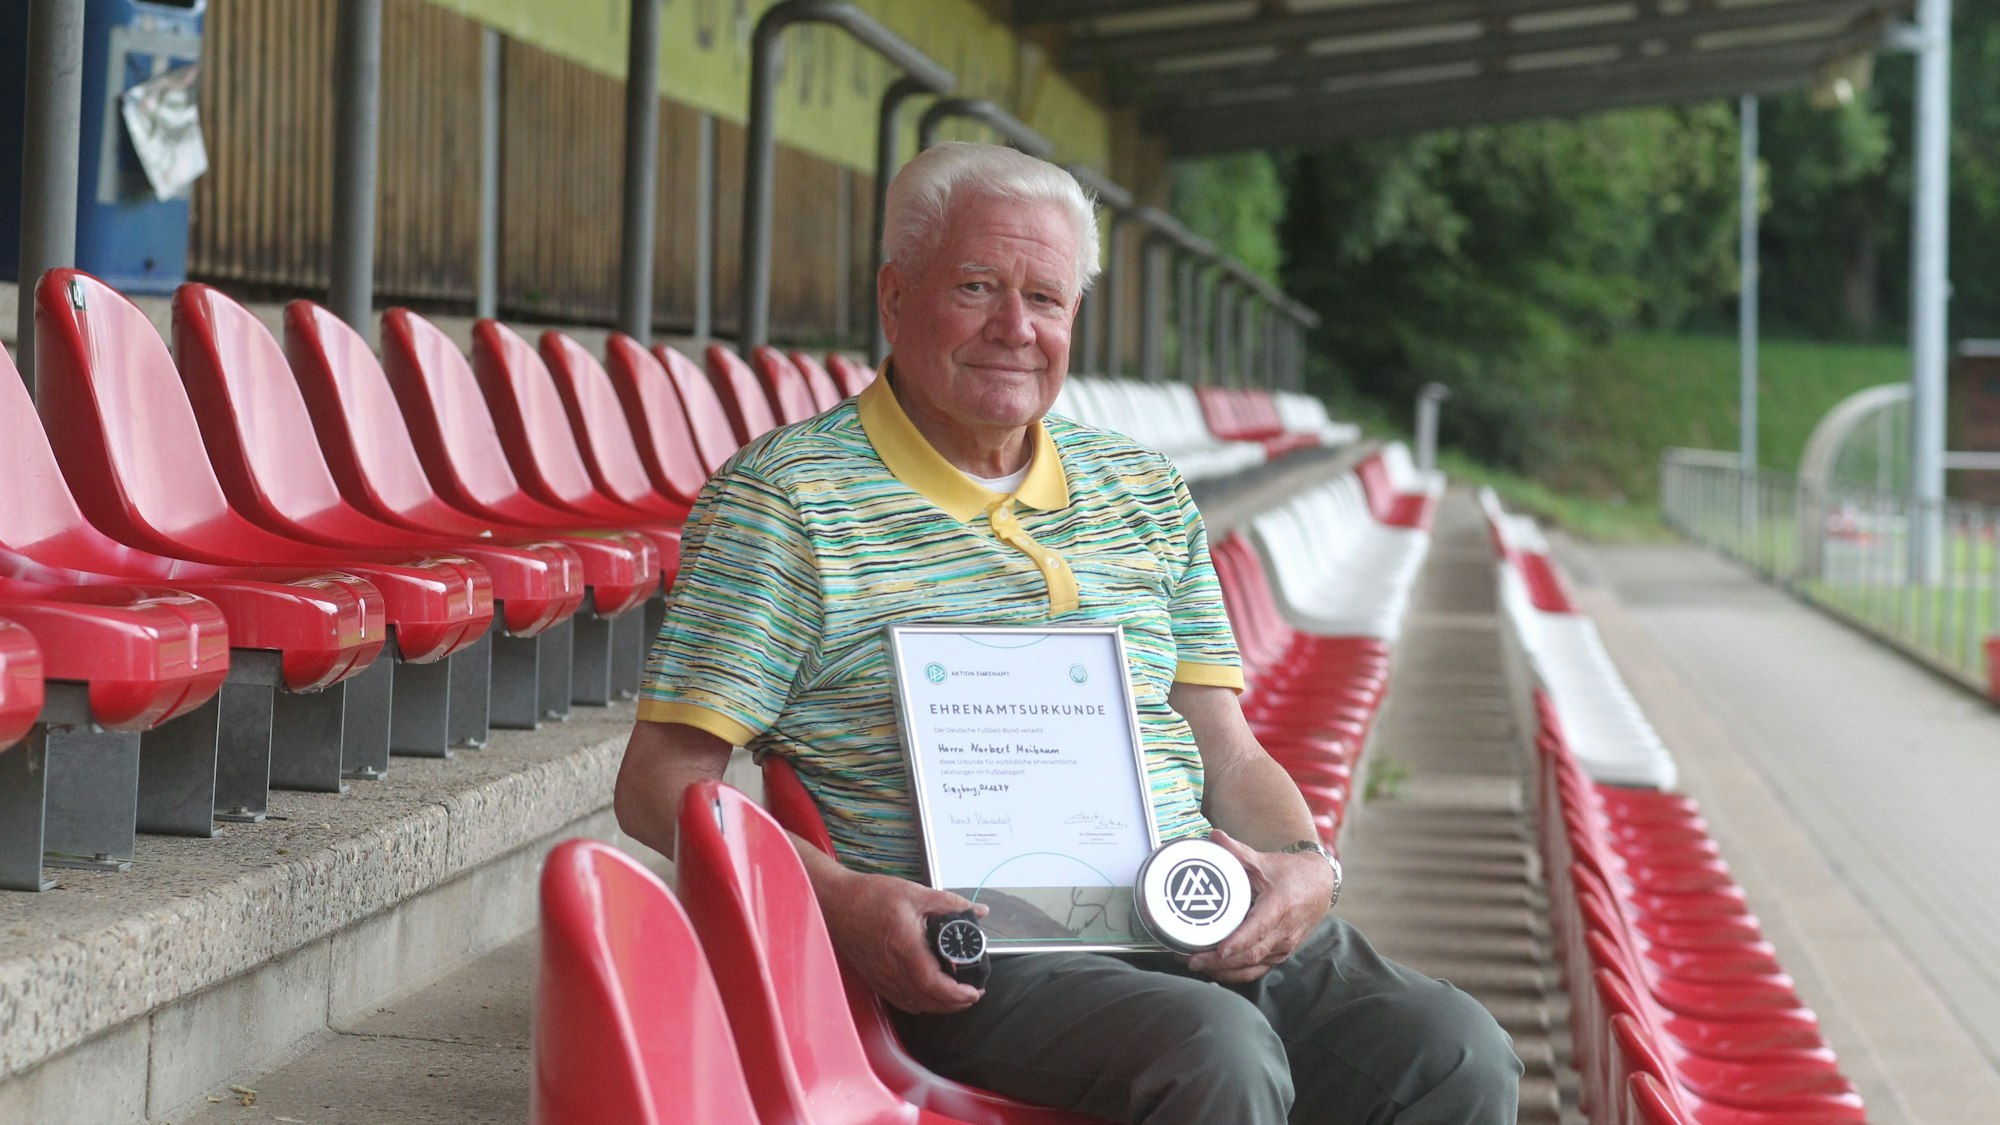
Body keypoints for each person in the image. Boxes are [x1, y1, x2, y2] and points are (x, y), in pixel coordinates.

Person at [614, 141, 1522, 1124]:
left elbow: (1227, 749)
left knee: (1455, 1051)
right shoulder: (785, 502)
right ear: (894, 296)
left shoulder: (1142, 488)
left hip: (1188, 907)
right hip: (972, 953)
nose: (1014, 328)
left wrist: (1306, 864)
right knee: (1216, 1054)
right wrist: (838, 901)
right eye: (976, 287)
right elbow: (657, 785)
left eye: (1044, 299)